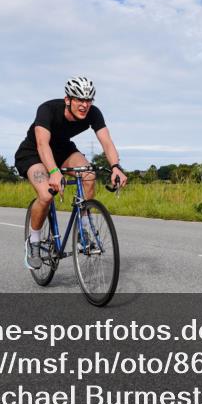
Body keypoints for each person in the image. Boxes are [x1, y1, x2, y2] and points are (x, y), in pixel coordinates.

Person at [14, 76, 128, 269]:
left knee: (89, 174)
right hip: (34, 153)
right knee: (46, 194)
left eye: (88, 100)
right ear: (68, 99)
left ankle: (84, 233)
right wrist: (53, 171)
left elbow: (106, 141)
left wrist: (116, 167)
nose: (85, 105)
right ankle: (33, 242)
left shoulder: (93, 113)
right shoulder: (48, 109)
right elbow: (42, 144)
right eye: (79, 100)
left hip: (63, 150)